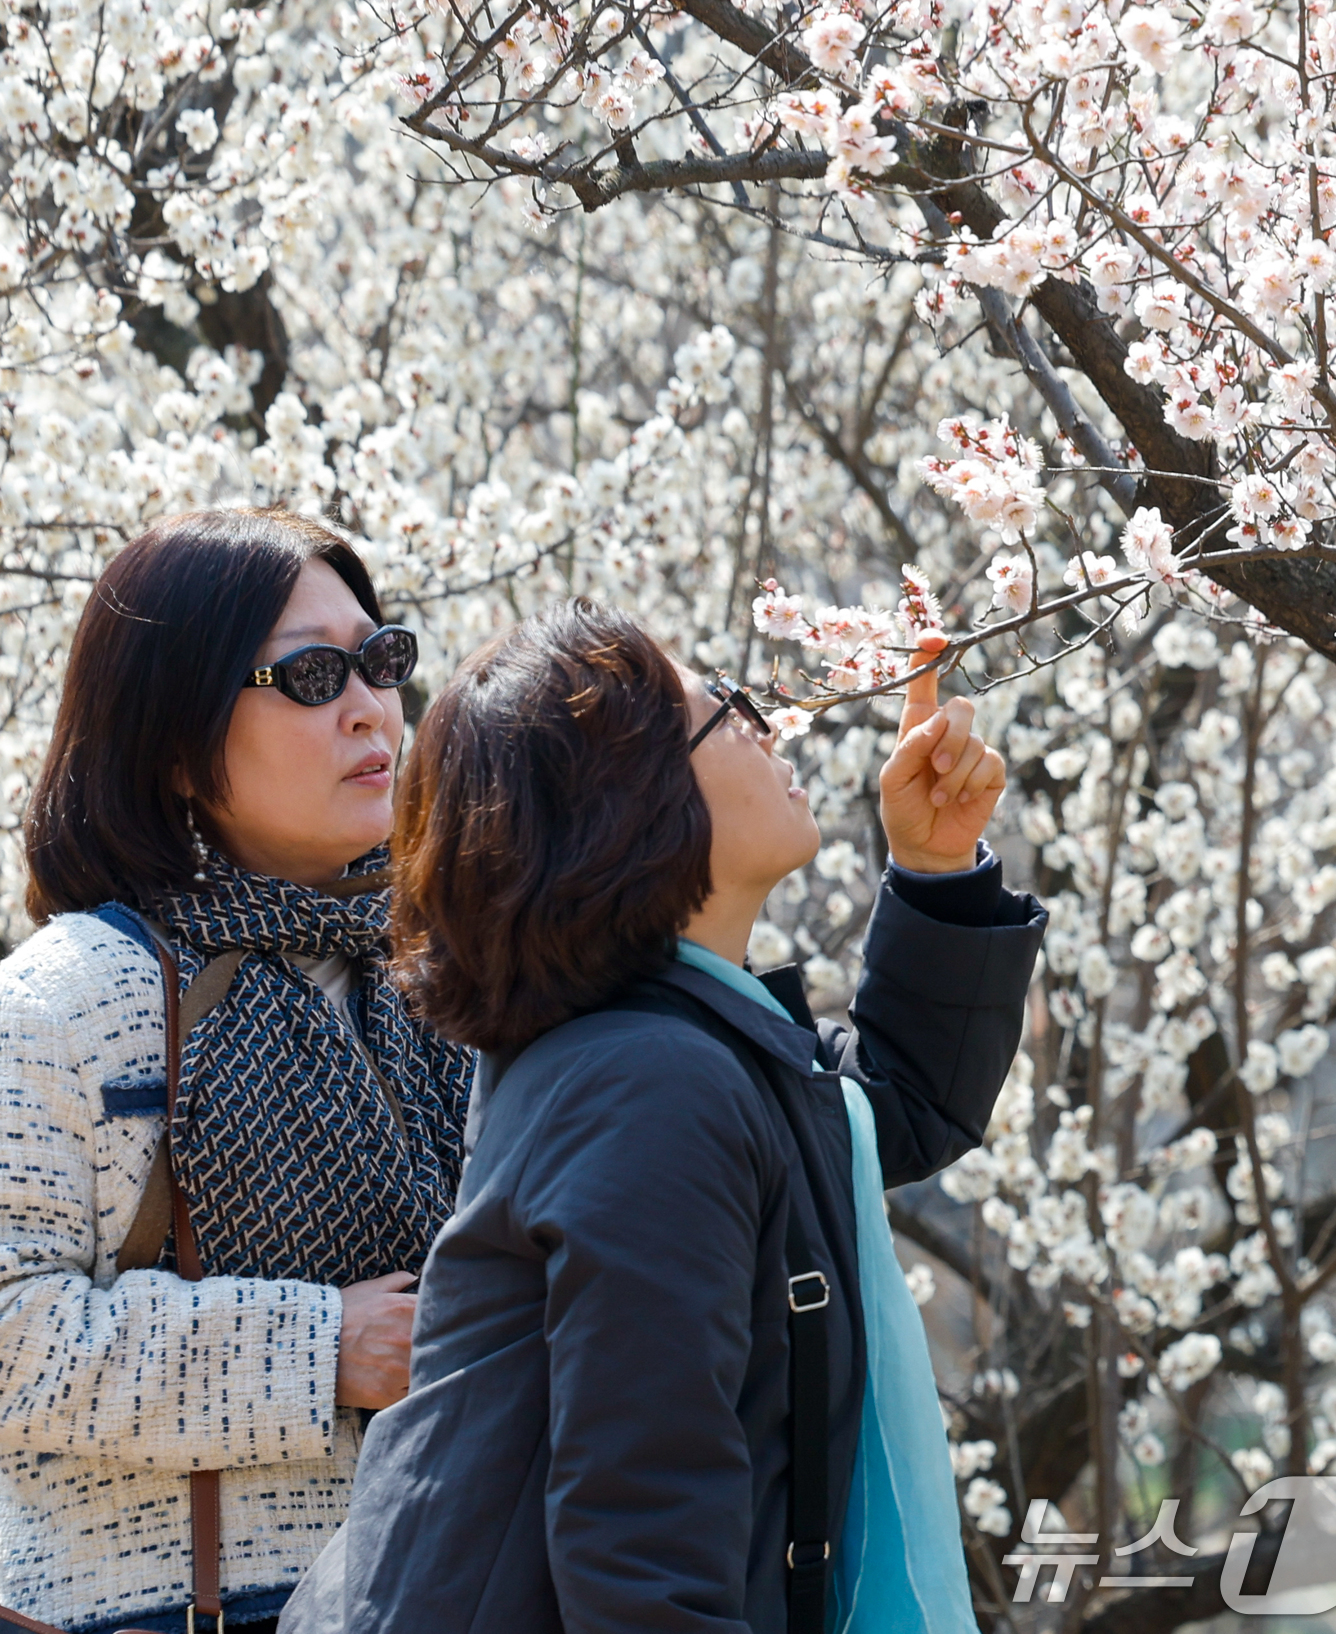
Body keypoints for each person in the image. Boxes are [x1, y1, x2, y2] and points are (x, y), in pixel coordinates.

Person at [282, 596, 1046, 1634]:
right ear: (625, 806)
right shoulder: (645, 1085)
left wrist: (936, 866)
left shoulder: (666, 1049)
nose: (766, 723)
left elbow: (884, 1110)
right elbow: (641, 1557)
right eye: (725, 710)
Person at [0, 508, 474, 1634]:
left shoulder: (445, 974)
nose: (369, 706)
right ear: (172, 741)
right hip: (164, 1609)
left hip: (438, 1586)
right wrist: (320, 1349)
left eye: (380, 659)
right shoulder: (66, 998)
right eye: (311, 675)